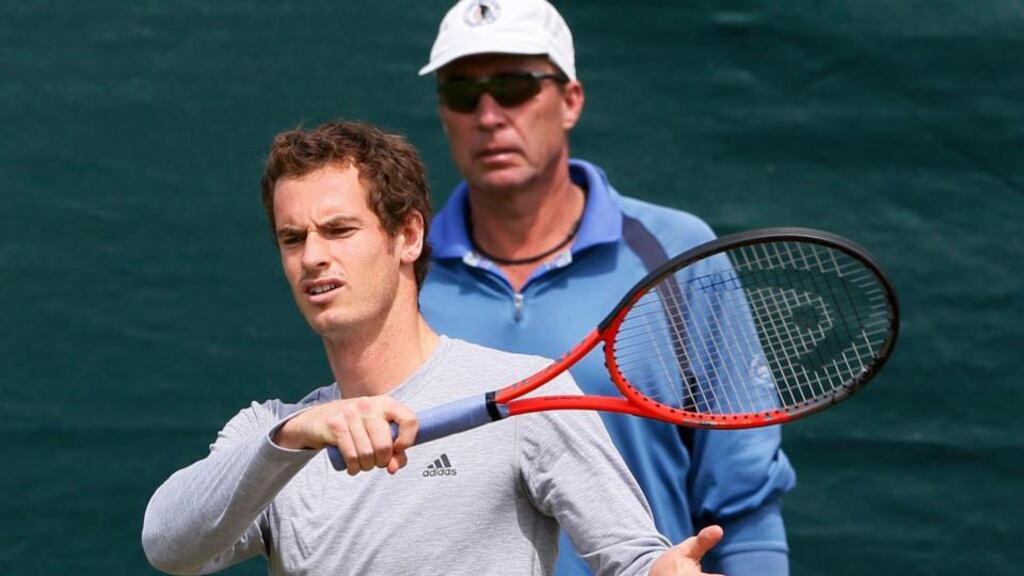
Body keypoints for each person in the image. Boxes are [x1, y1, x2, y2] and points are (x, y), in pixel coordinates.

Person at [141, 120, 725, 575]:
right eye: (293, 239)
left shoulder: (532, 393)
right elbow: (168, 545)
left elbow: (629, 556)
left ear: (409, 235)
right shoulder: (271, 433)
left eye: (340, 230)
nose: (313, 256)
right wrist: (294, 437)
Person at [415, 1, 798, 575]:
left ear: (570, 101)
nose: (489, 115)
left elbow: (744, 501)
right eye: (463, 93)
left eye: (515, 86)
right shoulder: (404, 275)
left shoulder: (676, 254)